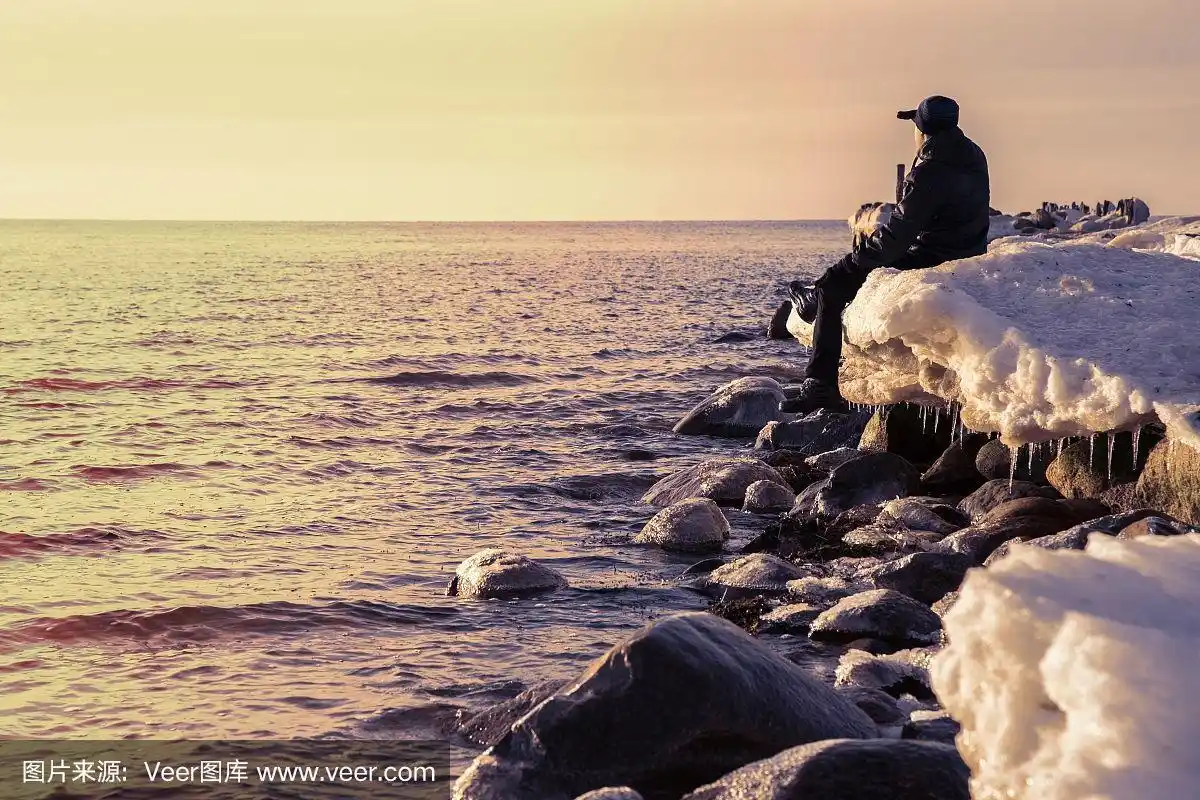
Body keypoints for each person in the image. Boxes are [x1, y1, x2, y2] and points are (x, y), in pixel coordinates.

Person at [784, 95, 991, 413]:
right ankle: (815, 302)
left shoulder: (929, 172)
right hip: (968, 250)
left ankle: (820, 386)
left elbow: (895, 238)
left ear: (922, 129)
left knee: (834, 283)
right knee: (839, 281)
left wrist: (851, 264)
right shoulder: (975, 156)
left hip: (934, 256)